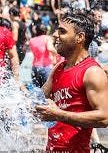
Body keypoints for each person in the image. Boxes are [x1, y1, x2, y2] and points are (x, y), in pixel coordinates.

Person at [36, 12, 108, 152]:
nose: (55, 35)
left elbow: (104, 117)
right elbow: (38, 99)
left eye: (62, 31)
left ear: (79, 38)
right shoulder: (59, 68)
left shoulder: (92, 72)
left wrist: (58, 114)